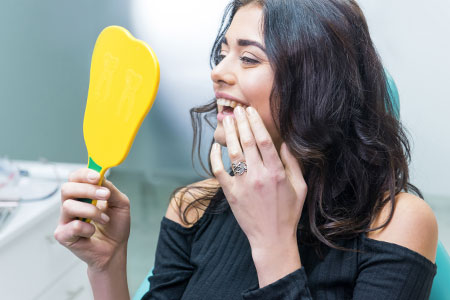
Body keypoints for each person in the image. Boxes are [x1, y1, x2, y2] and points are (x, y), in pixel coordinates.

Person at [54, 0, 439, 299]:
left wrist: (273, 244)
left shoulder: (395, 223)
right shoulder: (193, 207)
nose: (218, 71)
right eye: (223, 52)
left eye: (249, 57)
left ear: (317, 86)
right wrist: (107, 266)